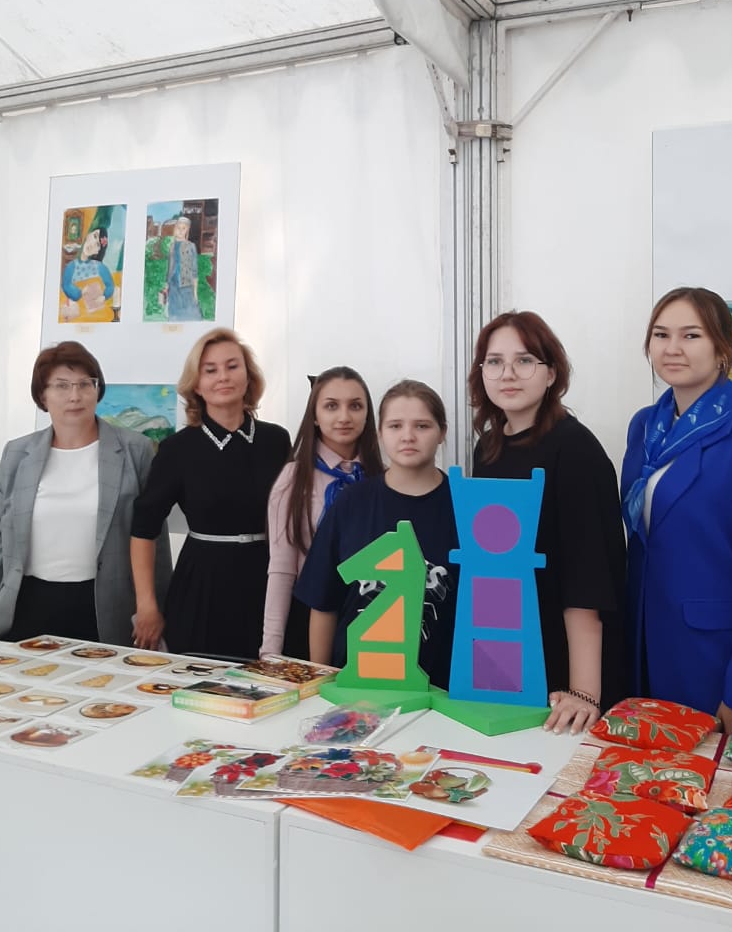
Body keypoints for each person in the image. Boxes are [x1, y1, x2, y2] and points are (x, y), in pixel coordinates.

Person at [621, 287, 732, 729]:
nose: (672, 348)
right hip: (644, 650)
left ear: (722, 350)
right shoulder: (644, 427)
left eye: (691, 335)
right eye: (661, 335)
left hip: (716, 661)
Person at [469, 311, 627, 735]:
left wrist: (584, 692)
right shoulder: (488, 449)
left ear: (551, 373)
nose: (508, 373)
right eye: (494, 361)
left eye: (524, 361)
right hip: (504, 652)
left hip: (565, 664)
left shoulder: (575, 449)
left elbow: (587, 578)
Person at [0, 343, 172, 644]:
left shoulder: (135, 449)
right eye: (62, 386)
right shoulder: (17, 453)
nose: (75, 396)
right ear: (43, 395)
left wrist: (157, 609)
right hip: (27, 603)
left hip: (106, 607)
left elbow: (153, 538)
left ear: (97, 389)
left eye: (85, 384)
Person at [130, 327, 291, 658]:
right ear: (197, 384)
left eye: (232, 366)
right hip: (202, 585)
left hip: (267, 580)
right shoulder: (177, 449)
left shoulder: (277, 440)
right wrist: (146, 605)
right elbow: (143, 529)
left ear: (248, 376)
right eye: (211, 370)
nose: (223, 377)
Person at [296, 380, 458, 688]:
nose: (408, 436)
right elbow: (323, 602)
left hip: (439, 689)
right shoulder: (351, 503)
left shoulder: (466, 508)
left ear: (442, 433)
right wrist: (320, 681)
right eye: (395, 426)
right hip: (356, 685)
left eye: (422, 426)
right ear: (380, 433)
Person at [260, 366, 383, 659]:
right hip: (309, 618)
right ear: (314, 416)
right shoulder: (294, 479)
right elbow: (282, 569)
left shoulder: (382, 478)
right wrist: (270, 652)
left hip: (372, 617)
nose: (344, 416)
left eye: (355, 406)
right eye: (331, 406)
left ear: (368, 415)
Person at [61, 225, 115, 322]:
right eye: (94, 236)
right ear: (88, 235)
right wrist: (80, 292)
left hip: (96, 311)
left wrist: (103, 297)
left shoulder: (100, 267)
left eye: (97, 245)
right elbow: (65, 285)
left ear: (97, 251)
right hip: (78, 312)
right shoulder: (71, 266)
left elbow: (110, 286)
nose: (93, 244)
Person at [161, 215, 203, 322]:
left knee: (191, 314)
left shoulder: (191, 246)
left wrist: (195, 292)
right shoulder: (172, 246)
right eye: (178, 228)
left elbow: (194, 270)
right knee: (174, 315)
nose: (180, 231)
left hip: (187, 285)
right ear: (175, 229)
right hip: (173, 285)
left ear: (187, 230)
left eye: (183, 228)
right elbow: (170, 266)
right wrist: (167, 285)